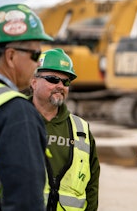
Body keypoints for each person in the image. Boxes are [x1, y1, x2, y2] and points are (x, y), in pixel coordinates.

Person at [0, 3, 53, 210]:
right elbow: (25, 202)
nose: (39, 63)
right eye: (36, 54)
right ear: (10, 56)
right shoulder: (15, 112)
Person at [30, 48, 100, 211]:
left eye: (66, 81)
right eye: (53, 79)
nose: (60, 86)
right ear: (33, 82)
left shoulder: (81, 129)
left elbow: (92, 185)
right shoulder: (15, 120)